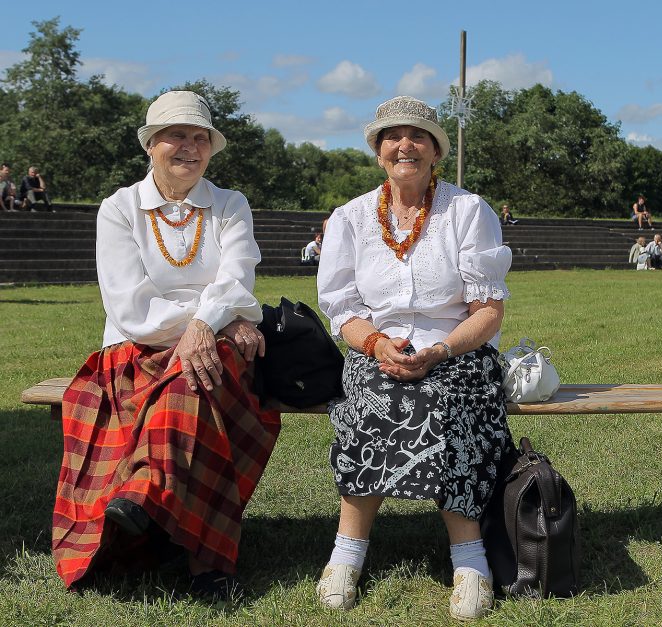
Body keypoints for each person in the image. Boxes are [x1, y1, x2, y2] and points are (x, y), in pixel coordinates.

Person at [51, 91, 280, 598]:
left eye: (201, 138)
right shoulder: (119, 208)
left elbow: (238, 277)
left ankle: (146, 492)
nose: (190, 147)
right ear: (151, 145)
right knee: (195, 384)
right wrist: (213, 319)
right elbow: (131, 307)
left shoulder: (229, 203)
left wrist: (214, 321)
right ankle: (208, 562)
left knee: (195, 380)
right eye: (177, 136)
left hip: (215, 347)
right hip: (136, 348)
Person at [316, 96, 512, 620]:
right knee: (373, 397)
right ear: (379, 153)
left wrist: (441, 349)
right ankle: (346, 556)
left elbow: (488, 311)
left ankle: (469, 563)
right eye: (392, 136)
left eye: (418, 136)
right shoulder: (351, 218)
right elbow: (340, 307)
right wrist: (378, 344)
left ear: (435, 152)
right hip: (376, 350)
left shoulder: (467, 211)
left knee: (448, 402)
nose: (405, 144)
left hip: (457, 350)